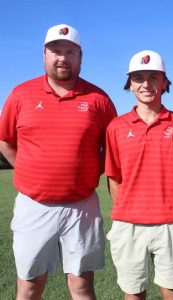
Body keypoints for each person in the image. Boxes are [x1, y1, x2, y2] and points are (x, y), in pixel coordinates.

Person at [0, 24, 116, 299]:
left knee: (82, 286)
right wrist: (31, 171)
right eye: (56, 51)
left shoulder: (99, 99)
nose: (62, 58)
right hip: (34, 206)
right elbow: (5, 141)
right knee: (29, 286)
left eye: (70, 52)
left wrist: (86, 171)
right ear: (44, 55)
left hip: (82, 207)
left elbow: (112, 148)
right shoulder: (20, 94)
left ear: (80, 57)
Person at [105, 50, 173, 300]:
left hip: (171, 223)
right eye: (138, 77)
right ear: (130, 84)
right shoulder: (115, 126)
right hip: (128, 225)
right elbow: (113, 178)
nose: (146, 84)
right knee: (133, 292)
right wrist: (129, 209)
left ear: (164, 82)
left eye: (153, 77)